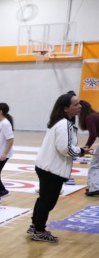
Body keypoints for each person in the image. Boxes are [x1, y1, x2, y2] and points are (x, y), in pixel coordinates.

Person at [29, 93, 85, 242]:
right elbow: (65, 149)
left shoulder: (59, 122)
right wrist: (81, 151)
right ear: (66, 108)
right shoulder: (64, 124)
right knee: (48, 201)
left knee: (43, 199)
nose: (80, 106)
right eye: (76, 104)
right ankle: (39, 231)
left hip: (46, 166)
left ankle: (35, 226)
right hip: (52, 169)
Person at [80, 100, 99, 196]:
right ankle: (93, 186)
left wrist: (86, 148)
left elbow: (93, 135)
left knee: (94, 165)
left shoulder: (89, 117)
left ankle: (94, 188)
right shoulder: (95, 115)